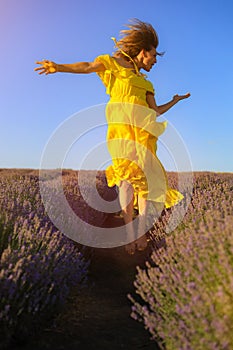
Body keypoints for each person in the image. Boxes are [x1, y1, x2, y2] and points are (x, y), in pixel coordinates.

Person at [35, 19, 190, 255]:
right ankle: (128, 234)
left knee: (145, 184)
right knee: (126, 179)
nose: (156, 60)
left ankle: (140, 233)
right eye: (154, 55)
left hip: (143, 134)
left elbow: (155, 111)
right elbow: (87, 66)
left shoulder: (146, 83)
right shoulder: (113, 64)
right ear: (143, 51)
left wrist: (175, 100)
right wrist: (59, 66)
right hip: (119, 131)